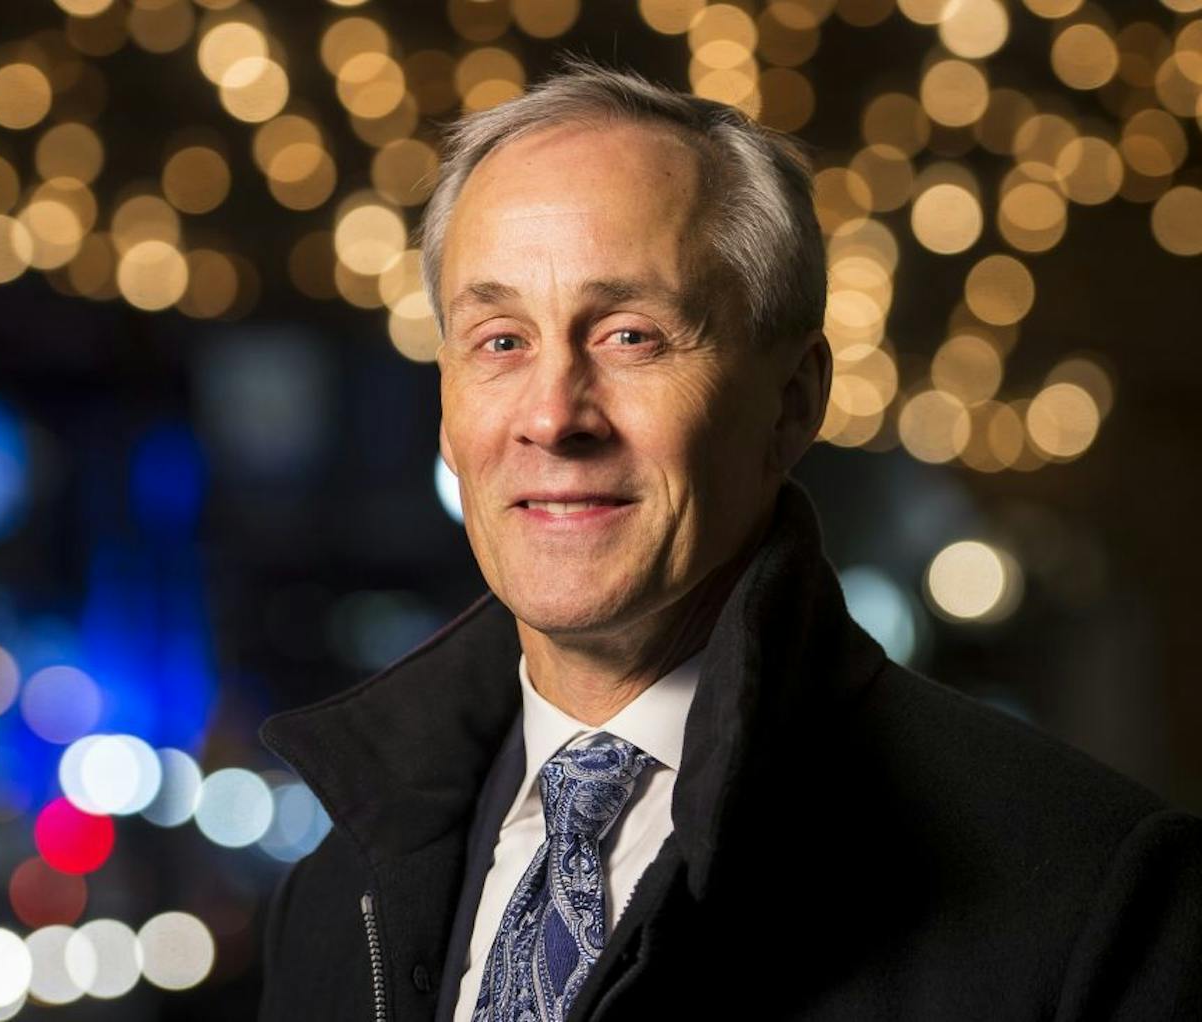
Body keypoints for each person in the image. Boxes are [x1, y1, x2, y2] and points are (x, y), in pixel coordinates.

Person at [256, 58, 1202, 1021]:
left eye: (631, 335)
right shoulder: (334, 906)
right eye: (501, 340)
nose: (551, 416)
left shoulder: (1089, 898)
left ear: (794, 402)